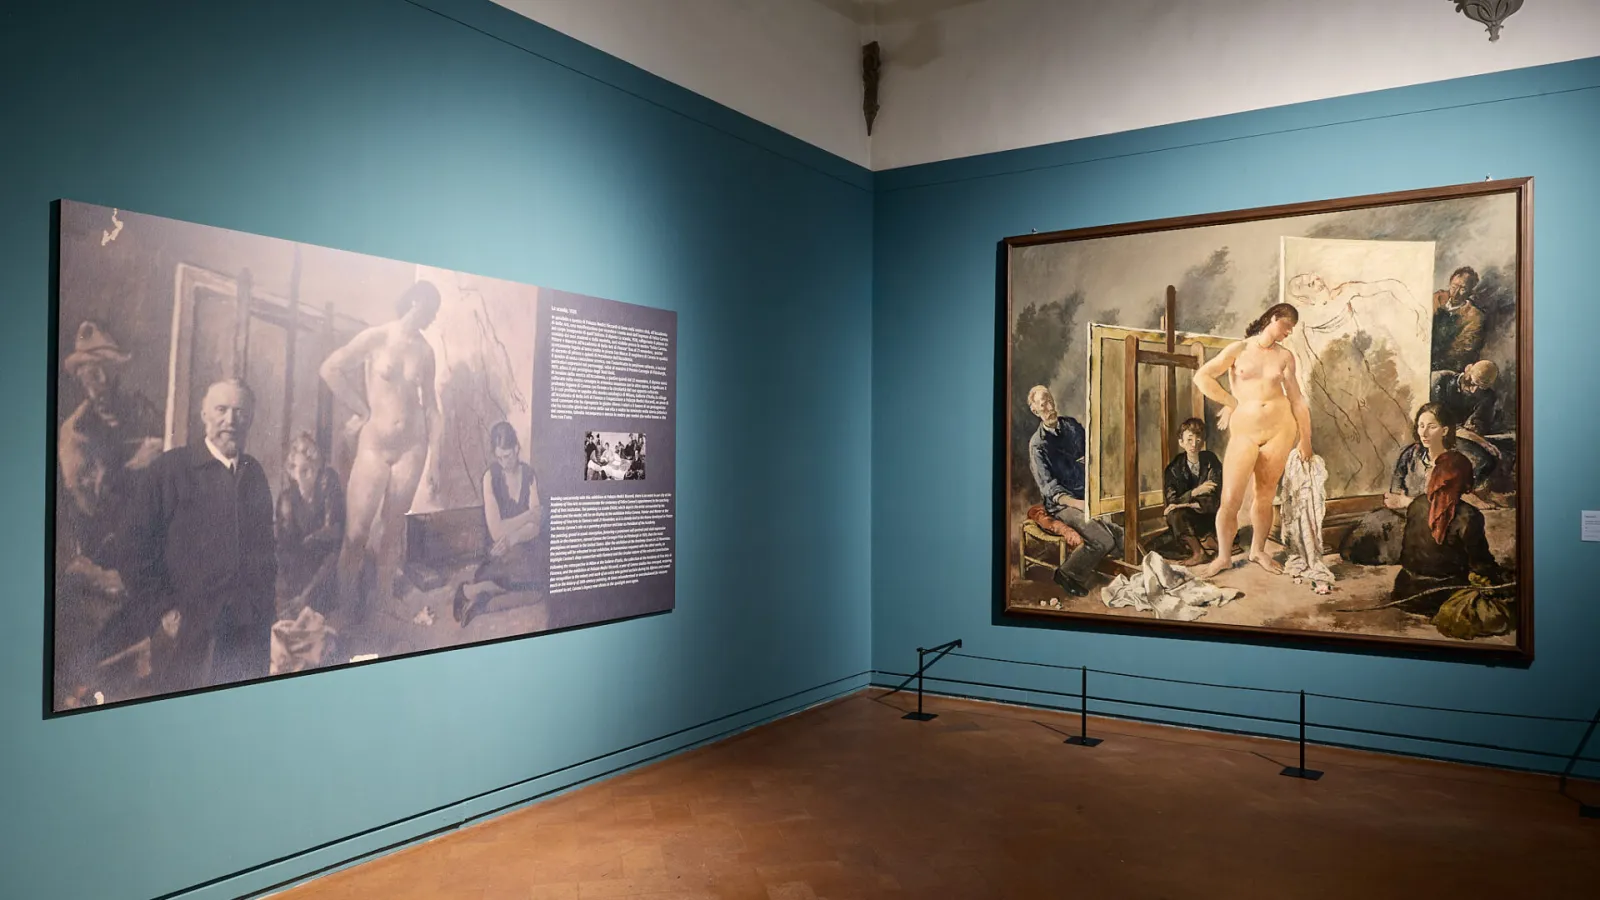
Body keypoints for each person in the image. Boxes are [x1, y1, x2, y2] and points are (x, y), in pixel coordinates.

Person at [117, 379, 276, 690]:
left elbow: (266, 551)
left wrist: (265, 611)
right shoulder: (170, 469)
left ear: (250, 418)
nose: (230, 420)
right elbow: (131, 547)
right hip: (187, 636)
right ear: (204, 415)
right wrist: (163, 610)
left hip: (246, 636)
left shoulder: (254, 474)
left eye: (240, 412)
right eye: (221, 409)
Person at [54, 321, 165, 695]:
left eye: (105, 368)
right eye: (90, 371)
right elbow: (90, 504)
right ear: (80, 378)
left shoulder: (139, 411)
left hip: (145, 541)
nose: (99, 379)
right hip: (102, 551)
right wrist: (136, 467)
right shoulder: (75, 433)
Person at [319, 280, 441, 616]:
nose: (432, 318)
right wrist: (362, 409)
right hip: (374, 447)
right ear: (415, 301)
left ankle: (382, 606)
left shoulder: (426, 352)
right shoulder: (377, 337)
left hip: (412, 448)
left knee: (391, 531)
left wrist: (436, 461)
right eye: (431, 309)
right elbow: (330, 368)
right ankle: (346, 611)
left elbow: (432, 409)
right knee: (356, 533)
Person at [1193, 304, 1313, 579]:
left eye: (1292, 329)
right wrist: (1230, 401)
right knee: (1230, 499)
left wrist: (1305, 439)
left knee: (1265, 495)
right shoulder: (1239, 349)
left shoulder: (1285, 357)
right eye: (1286, 326)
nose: (1288, 332)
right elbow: (1202, 377)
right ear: (1273, 318)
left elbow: (1297, 399)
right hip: (1245, 431)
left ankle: (1258, 551)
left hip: (1280, 430)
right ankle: (1223, 557)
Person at [1025, 385, 1122, 596]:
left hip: (1085, 495)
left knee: (1120, 535)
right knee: (1104, 540)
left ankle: (1104, 567)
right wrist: (1078, 504)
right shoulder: (1037, 445)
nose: (1049, 407)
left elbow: (1091, 452)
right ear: (1035, 411)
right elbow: (1049, 488)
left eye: (1049, 400)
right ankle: (1067, 574)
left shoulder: (1071, 425)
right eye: (1043, 404)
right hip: (1063, 506)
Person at [1341, 403, 1462, 566]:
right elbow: (1395, 493)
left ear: (1445, 431)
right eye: (1421, 426)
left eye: (1431, 427)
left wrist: (1408, 502)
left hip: (1432, 522)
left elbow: (1444, 507)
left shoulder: (1454, 463)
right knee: (1364, 534)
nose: (1424, 433)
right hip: (1403, 514)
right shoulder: (1411, 453)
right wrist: (1399, 502)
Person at [1391, 450, 1508, 615]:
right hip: (1445, 595)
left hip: (1405, 590)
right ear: (1465, 480)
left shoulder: (1416, 504)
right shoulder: (1469, 516)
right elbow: (1480, 564)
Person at [452, 422, 546, 627]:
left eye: (508, 456)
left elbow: (537, 524)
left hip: (523, 547)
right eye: (499, 457)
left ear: (516, 448)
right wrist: (527, 515)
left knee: (537, 592)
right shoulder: (490, 477)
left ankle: (480, 600)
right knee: (529, 589)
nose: (504, 462)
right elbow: (496, 531)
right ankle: (471, 590)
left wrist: (513, 537)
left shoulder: (529, 474)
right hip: (498, 551)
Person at [274, 432, 345, 620]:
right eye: (304, 470)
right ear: (292, 472)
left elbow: (334, 546)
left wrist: (307, 594)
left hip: (324, 576)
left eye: (314, 469)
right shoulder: (286, 501)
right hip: (296, 577)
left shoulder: (327, 491)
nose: (310, 475)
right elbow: (286, 552)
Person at [1162, 418, 1223, 567]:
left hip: (1210, 515)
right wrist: (1195, 492)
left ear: (1202, 442)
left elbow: (1214, 495)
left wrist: (1185, 503)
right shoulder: (1173, 469)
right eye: (1189, 440)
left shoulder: (1211, 460)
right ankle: (1199, 552)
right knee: (1173, 516)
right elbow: (1172, 501)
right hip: (1188, 520)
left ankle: (1210, 540)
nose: (1194, 444)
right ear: (1181, 442)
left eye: (1198, 440)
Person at [1432, 266, 1486, 373]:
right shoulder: (1436, 299)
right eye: (1453, 286)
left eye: (1462, 289)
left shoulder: (1475, 316)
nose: (1455, 293)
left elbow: (1462, 350)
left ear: (1471, 291)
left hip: (1449, 367)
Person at [1430, 360, 1499, 437]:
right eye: (1472, 383)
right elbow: (1435, 415)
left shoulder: (1488, 396)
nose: (1474, 390)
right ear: (1467, 370)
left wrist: (1474, 428)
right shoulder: (1440, 379)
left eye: (1481, 387)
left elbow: (1479, 423)